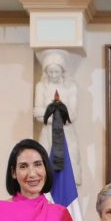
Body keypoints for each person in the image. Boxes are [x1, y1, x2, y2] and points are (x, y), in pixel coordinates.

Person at [33, 49, 81, 186]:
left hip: (66, 134)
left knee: (69, 165)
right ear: (46, 72)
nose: (53, 75)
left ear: (62, 71)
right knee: (44, 164)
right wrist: (57, 112)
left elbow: (71, 116)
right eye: (50, 72)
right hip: (47, 133)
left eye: (56, 72)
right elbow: (37, 115)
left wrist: (46, 112)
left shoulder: (71, 87)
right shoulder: (41, 86)